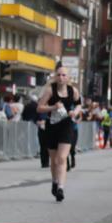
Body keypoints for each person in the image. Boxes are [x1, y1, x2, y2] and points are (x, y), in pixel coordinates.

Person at [37, 65, 81, 201]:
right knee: (54, 160)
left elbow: (79, 104)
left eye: (64, 75)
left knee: (62, 158)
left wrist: (75, 112)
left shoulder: (73, 90)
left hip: (66, 125)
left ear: (68, 78)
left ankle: (61, 188)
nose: (61, 78)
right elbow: (39, 108)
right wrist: (53, 107)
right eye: (59, 75)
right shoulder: (50, 91)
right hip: (52, 126)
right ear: (55, 77)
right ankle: (55, 182)